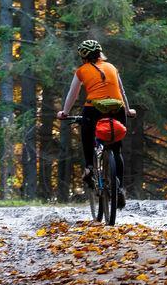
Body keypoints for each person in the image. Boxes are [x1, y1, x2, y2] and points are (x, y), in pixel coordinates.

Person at [57, 39, 136, 209]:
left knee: (86, 133)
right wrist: (128, 111)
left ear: (82, 57)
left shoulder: (81, 71)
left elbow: (73, 94)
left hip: (94, 109)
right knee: (116, 148)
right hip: (117, 107)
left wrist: (64, 112)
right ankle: (120, 188)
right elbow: (121, 91)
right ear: (100, 54)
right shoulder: (112, 67)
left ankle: (89, 167)